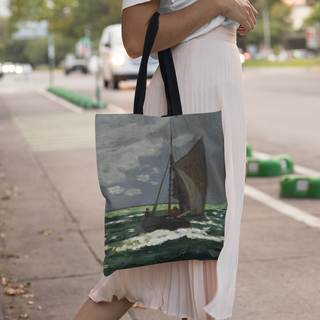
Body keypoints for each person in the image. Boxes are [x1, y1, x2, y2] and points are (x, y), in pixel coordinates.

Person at [73, 1, 257, 320]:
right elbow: (135, 39)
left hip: (217, 90)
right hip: (191, 95)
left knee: (189, 254)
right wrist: (217, 4)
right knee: (205, 256)